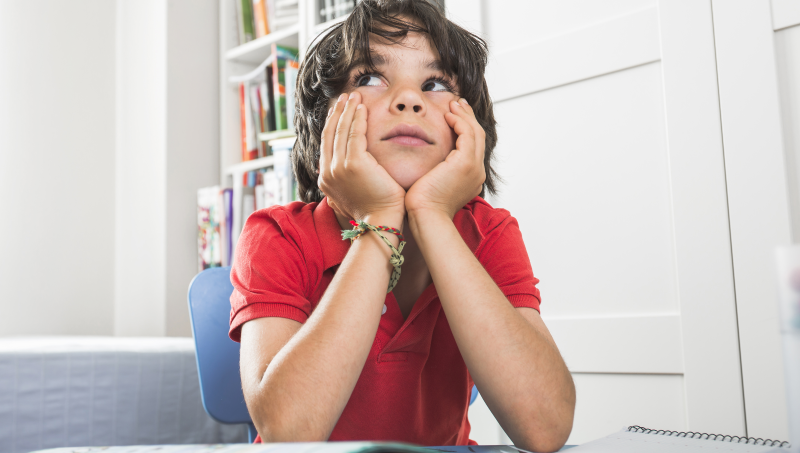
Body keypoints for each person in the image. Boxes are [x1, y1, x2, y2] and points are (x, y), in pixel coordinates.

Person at [228, 1, 576, 451]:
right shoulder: (276, 236)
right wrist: (379, 219)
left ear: (468, 128)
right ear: (323, 123)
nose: (408, 99)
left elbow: (545, 426)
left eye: (433, 84)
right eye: (370, 78)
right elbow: (289, 433)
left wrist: (431, 214)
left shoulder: (489, 233)